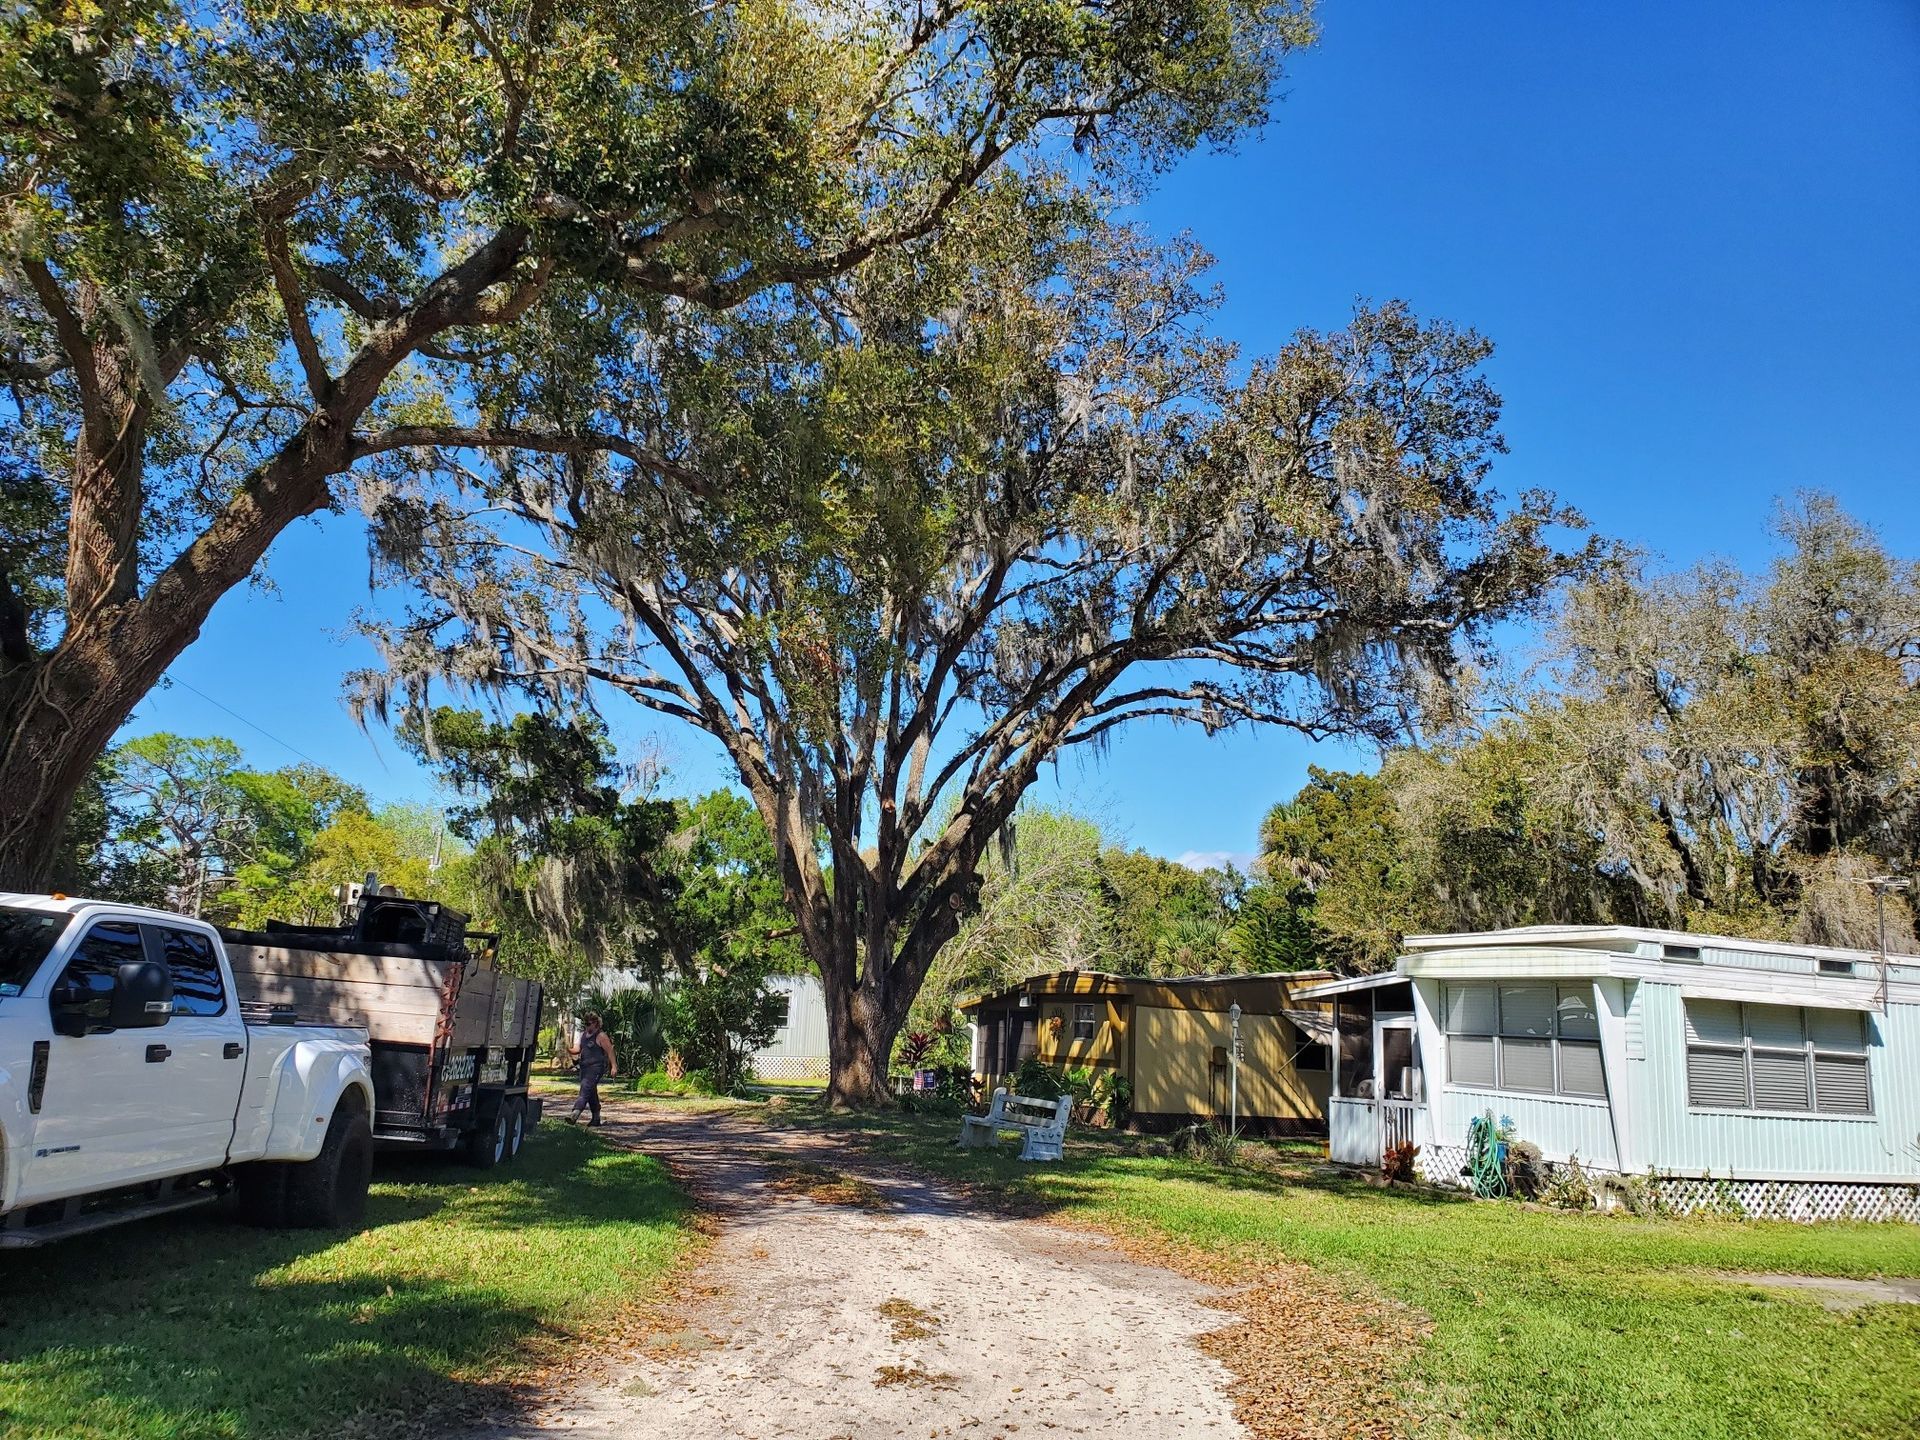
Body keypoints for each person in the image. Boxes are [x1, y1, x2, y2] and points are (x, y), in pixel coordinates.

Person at [569, 1012, 617, 1126]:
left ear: (595, 1023)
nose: (586, 1026)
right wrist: (567, 1049)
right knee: (591, 1091)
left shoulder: (601, 1036)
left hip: (596, 1068)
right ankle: (596, 1118)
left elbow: (610, 1051)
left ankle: (575, 1113)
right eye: (585, 1024)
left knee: (585, 1088)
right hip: (584, 1068)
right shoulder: (583, 1035)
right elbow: (577, 1049)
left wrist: (614, 1066)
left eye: (588, 1024)